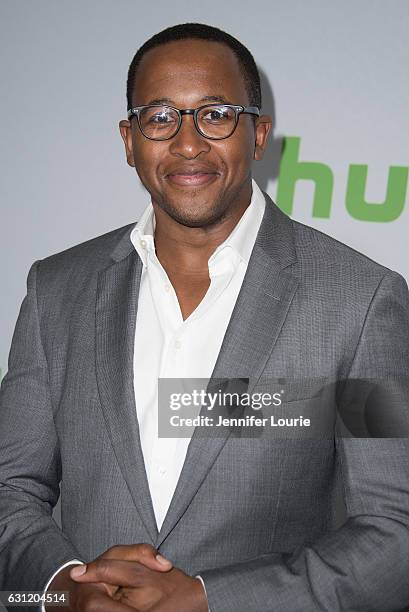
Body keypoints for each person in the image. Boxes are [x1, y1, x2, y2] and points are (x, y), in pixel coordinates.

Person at [0, 21, 408, 612]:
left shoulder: (360, 301)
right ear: (129, 138)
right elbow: (10, 488)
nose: (188, 144)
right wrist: (63, 587)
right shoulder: (56, 290)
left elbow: (394, 532)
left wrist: (210, 598)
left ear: (259, 133)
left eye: (215, 114)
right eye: (161, 117)